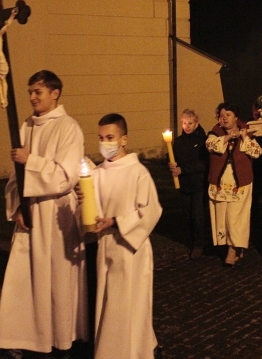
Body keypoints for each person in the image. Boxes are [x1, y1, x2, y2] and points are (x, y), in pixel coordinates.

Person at [0, 70, 87, 357]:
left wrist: (30, 160)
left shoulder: (69, 127)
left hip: (56, 213)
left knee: (55, 279)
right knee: (24, 278)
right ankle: (24, 336)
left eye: (38, 92)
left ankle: (59, 337)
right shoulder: (26, 126)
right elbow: (14, 175)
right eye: (30, 92)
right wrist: (19, 205)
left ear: (55, 93)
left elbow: (65, 176)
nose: (32, 97)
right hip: (30, 213)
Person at [90, 113, 162, 359]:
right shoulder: (97, 173)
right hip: (106, 246)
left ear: (124, 140)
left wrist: (117, 222)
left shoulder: (138, 172)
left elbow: (151, 210)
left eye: (110, 137)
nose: (104, 143)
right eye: (100, 138)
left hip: (132, 251)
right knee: (108, 306)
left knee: (130, 307)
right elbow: (93, 213)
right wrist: (86, 208)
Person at [206, 103, 262, 265]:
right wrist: (228, 137)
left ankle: (233, 249)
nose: (224, 119)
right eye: (222, 116)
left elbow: (257, 153)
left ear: (236, 117)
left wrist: (244, 137)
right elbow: (210, 146)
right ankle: (235, 247)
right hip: (221, 183)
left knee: (236, 218)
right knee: (223, 217)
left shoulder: (247, 131)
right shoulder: (215, 132)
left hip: (240, 183)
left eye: (228, 115)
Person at [169, 109, 208, 259]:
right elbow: (174, 159)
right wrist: (172, 166)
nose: (187, 126)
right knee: (188, 216)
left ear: (196, 123)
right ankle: (191, 241)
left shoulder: (202, 140)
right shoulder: (178, 141)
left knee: (197, 215)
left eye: (190, 123)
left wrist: (182, 169)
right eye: (184, 123)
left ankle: (198, 245)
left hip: (198, 185)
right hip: (184, 185)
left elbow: (202, 164)